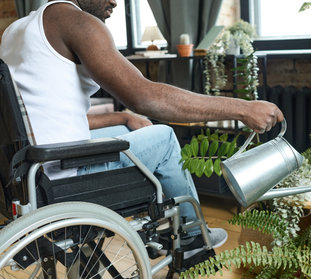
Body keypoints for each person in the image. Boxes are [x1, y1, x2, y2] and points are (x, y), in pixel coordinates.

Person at [0, 0, 284, 257]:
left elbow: (50, 121)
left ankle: (145, 234)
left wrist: (122, 117)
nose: (116, 2)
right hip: (63, 178)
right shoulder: (80, 24)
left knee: (128, 134)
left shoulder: (16, 30)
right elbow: (147, 97)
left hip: (27, 173)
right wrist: (243, 108)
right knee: (164, 137)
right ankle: (193, 238)